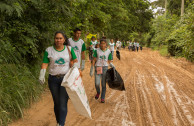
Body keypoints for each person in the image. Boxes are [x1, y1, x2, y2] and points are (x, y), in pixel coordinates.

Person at [39, 31, 79, 126]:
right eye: (57, 38)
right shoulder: (49, 50)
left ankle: (61, 124)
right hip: (53, 80)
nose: (58, 40)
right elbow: (45, 62)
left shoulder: (69, 49)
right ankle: (59, 122)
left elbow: (75, 60)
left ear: (64, 39)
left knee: (62, 102)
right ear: (54, 39)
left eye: (60, 38)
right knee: (56, 103)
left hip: (66, 79)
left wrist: (74, 65)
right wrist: (42, 73)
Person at [90, 39, 115, 103]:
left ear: (106, 44)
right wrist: (92, 68)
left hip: (105, 68)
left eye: (104, 43)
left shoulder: (108, 51)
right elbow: (94, 59)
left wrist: (111, 64)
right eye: (101, 43)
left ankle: (102, 97)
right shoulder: (96, 50)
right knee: (97, 83)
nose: (102, 45)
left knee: (103, 84)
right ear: (99, 44)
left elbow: (109, 60)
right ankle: (98, 92)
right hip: (98, 67)